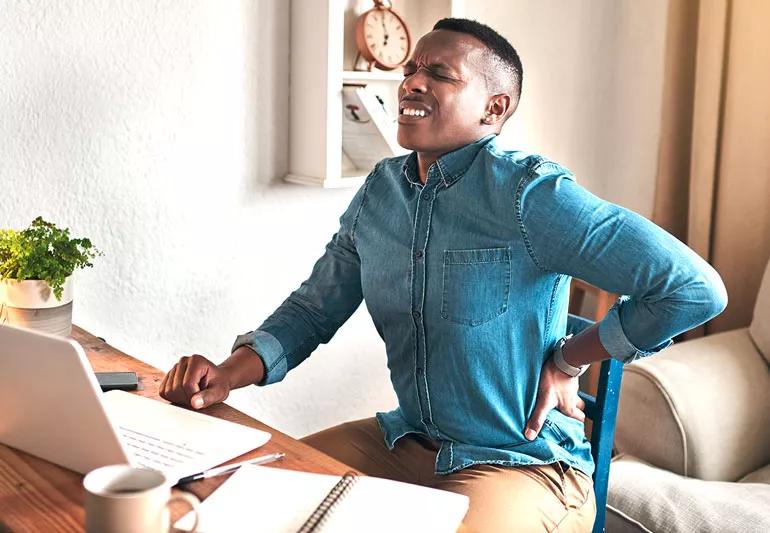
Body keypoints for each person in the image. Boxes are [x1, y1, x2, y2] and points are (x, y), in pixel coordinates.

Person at [160, 18, 727, 532]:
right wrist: (230, 374)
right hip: (406, 442)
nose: (411, 83)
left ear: (494, 108)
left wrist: (569, 356)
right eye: (409, 70)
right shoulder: (380, 191)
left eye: (439, 74)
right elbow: (314, 308)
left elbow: (692, 288)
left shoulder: (532, 194)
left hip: (522, 466)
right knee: (218, 495)